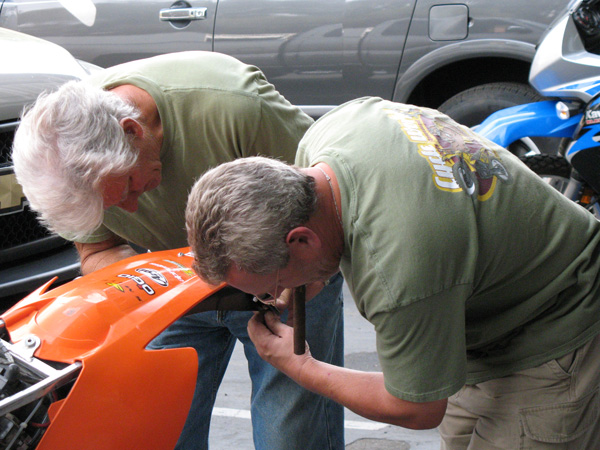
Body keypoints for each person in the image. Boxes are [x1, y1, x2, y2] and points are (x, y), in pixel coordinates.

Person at [185, 96, 600, 450]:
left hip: (560, 326)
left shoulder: (399, 269)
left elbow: (415, 408)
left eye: (272, 286)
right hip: (486, 320)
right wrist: (308, 276)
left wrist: (301, 367)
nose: (277, 297)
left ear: (300, 240)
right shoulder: (330, 133)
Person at [11, 51, 345, 450]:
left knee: (290, 435)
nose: (132, 208)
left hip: (284, 269)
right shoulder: (73, 164)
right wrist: (142, 296)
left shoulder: (236, 108)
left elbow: (332, 207)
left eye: (132, 186)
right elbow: (101, 251)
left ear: (132, 130)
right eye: (113, 206)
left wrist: (310, 279)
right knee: (164, 435)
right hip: (172, 283)